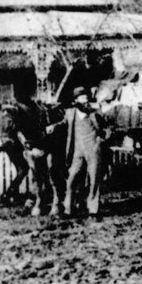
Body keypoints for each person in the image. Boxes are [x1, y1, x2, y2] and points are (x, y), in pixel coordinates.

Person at [47, 86, 108, 216]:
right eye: (82, 97)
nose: (85, 100)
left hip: (92, 148)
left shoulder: (94, 112)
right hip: (78, 150)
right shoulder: (70, 112)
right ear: (76, 100)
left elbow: (106, 127)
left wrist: (101, 140)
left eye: (86, 97)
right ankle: (68, 207)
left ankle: (93, 208)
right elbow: (63, 123)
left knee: (94, 178)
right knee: (72, 177)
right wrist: (53, 126)